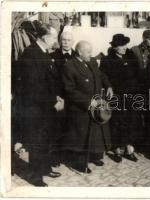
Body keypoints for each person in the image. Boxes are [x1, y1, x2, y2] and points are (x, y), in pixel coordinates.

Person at [18, 23, 62, 186]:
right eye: (54, 37)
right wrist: (53, 102)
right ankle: (36, 177)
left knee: (45, 140)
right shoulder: (31, 54)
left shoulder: (43, 53)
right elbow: (34, 86)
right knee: (37, 141)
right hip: (36, 108)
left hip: (45, 106)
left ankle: (44, 168)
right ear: (45, 37)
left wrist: (56, 97)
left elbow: (49, 81)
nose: (55, 40)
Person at [61, 41, 112, 173]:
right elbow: (69, 90)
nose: (91, 54)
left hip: (96, 105)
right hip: (80, 108)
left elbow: (102, 75)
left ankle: (94, 156)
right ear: (79, 52)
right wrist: (88, 102)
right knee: (80, 137)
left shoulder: (92, 62)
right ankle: (78, 163)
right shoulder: (69, 66)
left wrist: (108, 86)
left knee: (96, 133)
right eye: (88, 51)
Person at [100, 34, 140, 163]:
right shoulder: (107, 60)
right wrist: (109, 87)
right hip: (116, 96)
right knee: (117, 121)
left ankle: (129, 149)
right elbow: (103, 77)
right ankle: (116, 149)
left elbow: (137, 74)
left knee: (131, 121)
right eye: (121, 45)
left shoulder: (131, 56)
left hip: (131, 95)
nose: (124, 48)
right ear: (115, 47)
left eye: (125, 45)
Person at [131, 29, 150, 158]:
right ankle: (137, 143)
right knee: (138, 117)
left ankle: (148, 146)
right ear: (143, 38)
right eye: (149, 39)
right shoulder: (134, 50)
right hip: (138, 88)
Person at [50, 31, 76, 165]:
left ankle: (69, 155)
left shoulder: (77, 56)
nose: (66, 42)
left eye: (68, 40)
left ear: (73, 42)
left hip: (73, 97)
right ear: (60, 41)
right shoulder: (53, 56)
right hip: (60, 96)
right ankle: (56, 157)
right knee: (58, 126)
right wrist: (56, 96)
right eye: (63, 40)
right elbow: (51, 78)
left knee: (71, 126)